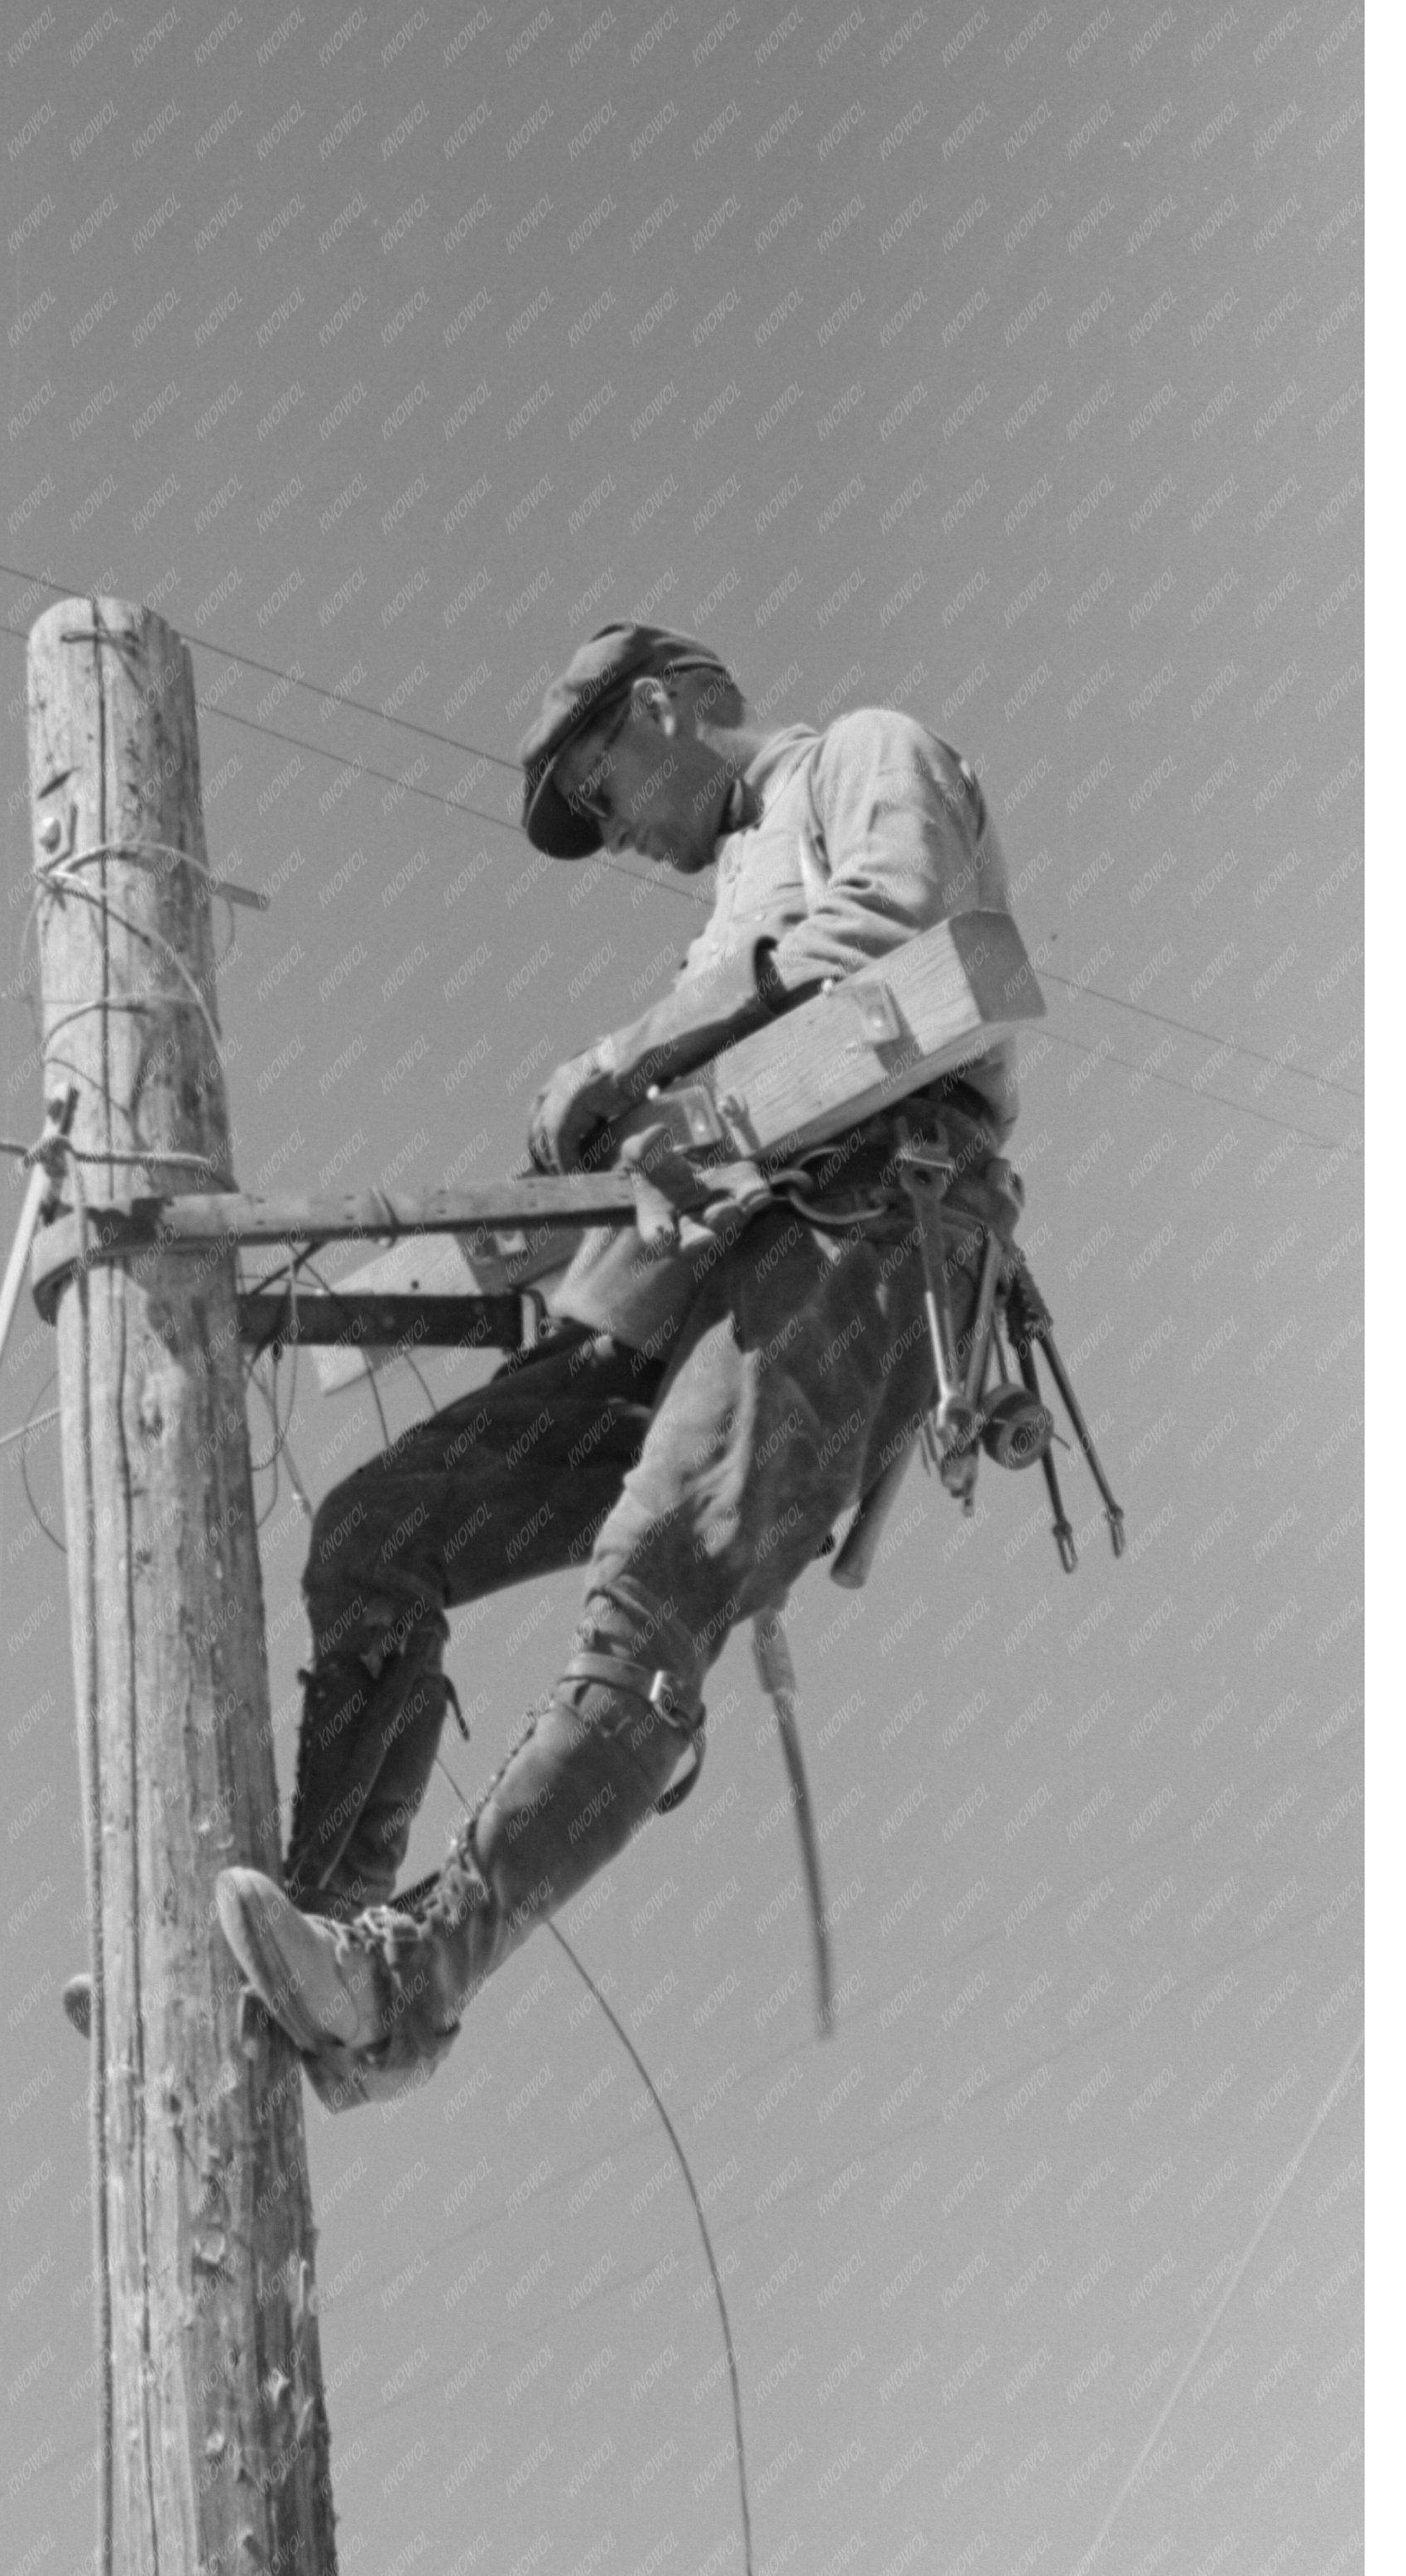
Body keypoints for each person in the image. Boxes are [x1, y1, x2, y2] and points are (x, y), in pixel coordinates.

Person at [215, 621, 1024, 2106]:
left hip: (860, 1228)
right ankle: (319, 1934)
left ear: (659, 708)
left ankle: (408, 1981)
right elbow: (684, 1126)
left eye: (600, 793)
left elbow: (907, 925)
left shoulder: (862, 752)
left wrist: (636, 1052)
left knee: (652, 1584)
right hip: (679, 1286)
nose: (613, 834)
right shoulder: (727, 904)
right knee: (379, 1533)